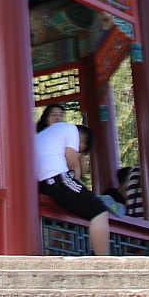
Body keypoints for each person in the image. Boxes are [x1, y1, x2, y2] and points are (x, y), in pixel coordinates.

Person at [35, 104, 111, 257]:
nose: (58, 117)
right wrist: (79, 181)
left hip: (41, 184)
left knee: (60, 220)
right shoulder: (69, 128)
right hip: (56, 178)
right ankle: (104, 259)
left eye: (60, 114)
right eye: (54, 114)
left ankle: (53, 255)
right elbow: (72, 163)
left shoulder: (38, 136)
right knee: (99, 211)